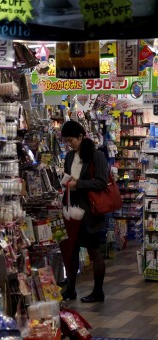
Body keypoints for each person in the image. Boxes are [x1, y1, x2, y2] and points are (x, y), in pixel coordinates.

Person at [60, 121, 109, 303]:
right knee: (71, 251)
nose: (69, 144)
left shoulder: (96, 156)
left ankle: (98, 291)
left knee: (94, 252)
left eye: (71, 140)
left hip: (90, 212)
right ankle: (70, 288)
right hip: (71, 211)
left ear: (81, 136)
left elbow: (102, 182)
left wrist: (78, 183)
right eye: (66, 141)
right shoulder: (69, 157)